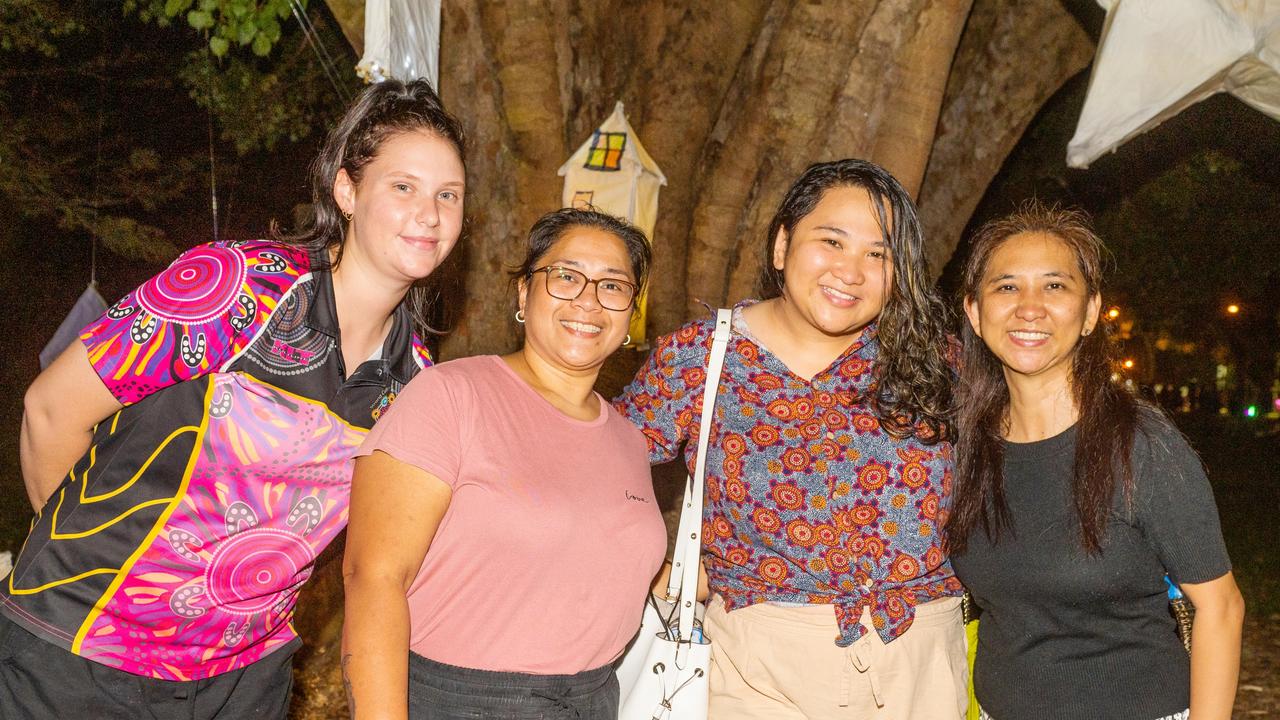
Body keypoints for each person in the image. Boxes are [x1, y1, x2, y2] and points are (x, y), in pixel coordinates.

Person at [1, 78, 466, 719]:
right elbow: (50, 412)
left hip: (242, 682)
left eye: (449, 195)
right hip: (78, 659)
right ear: (347, 190)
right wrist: (84, 578)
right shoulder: (235, 290)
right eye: (404, 186)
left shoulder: (413, 380)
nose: (430, 213)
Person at [617, 159, 965, 719]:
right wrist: (656, 559)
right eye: (832, 241)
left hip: (919, 666)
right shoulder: (700, 359)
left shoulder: (936, 362)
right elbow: (598, 468)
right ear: (782, 245)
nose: (851, 271)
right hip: (759, 672)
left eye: (878, 254)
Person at [341, 207, 666, 720]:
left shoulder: (628, 439)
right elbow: (373, 578)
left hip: (596, 701)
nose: (589, 300)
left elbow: (594, 555)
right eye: (565, 276)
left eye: (613, 286)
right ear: (523, 293)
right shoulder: (451, 396)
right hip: (462, 703)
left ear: (631, 311)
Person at [946, 203, 1245, 720]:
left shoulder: (1141, 444)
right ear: (974, 311)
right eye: (1007, 286)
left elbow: (1221, 608)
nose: (1030, 307)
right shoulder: (963, 447)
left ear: (1089, 314)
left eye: (1055, 286)